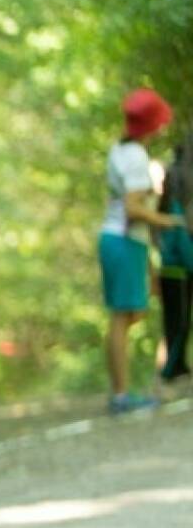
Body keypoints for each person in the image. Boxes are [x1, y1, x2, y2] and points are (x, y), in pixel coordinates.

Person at [100, 88, 179, 412]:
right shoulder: (135, 156)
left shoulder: (121, 150)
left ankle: (121, 391)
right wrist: (167, 219)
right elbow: (133, 208)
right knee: (122, 316)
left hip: (122, 239)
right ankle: (120, 395)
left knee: (132, 311)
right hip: (122, 238)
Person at [156, 143, 193, 389]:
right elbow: (181, 243)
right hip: (178, 269)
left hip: (170, 269)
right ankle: (171, 368)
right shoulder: (175, 214)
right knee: (179, 322)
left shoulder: (166, 211)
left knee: (175, 320)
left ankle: (177, 367)